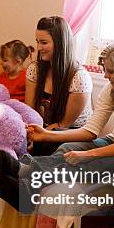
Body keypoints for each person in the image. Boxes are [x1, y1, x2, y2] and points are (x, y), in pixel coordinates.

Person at [0, 41, 114, 213]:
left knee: (102, 163)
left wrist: (88, 155)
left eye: (111, 71)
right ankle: (29, 189)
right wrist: (47, 134)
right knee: (67, 149)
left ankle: (27, 171)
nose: (106, 76)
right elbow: (91, 130)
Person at [25, 16, 93, 155]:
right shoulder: (35, 70)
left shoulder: (78, 78)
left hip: (70, 133)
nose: (38, 48)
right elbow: (30, 112)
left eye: (44, 42)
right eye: (37, 42)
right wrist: (29, 135)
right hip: (43, 128)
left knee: (43, 148)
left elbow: (63, 125)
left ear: (60, 43)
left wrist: (37, 139)